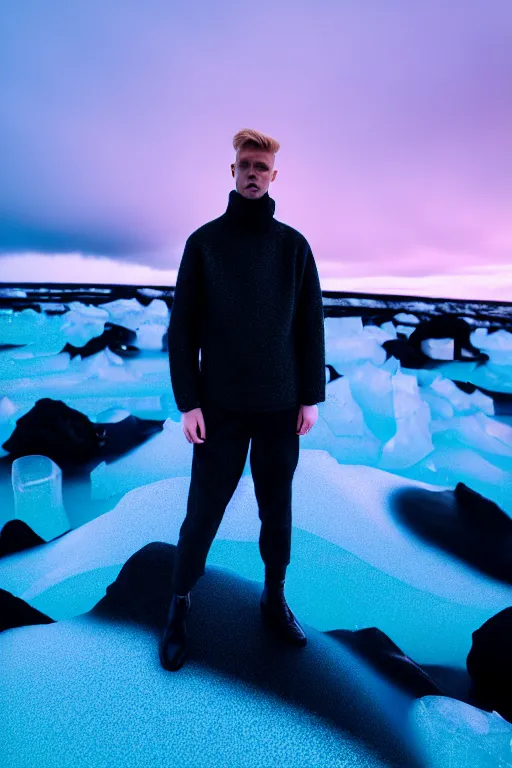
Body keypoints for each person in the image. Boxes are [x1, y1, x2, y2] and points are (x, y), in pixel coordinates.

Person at [159, 128, 326, 671]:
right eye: (245, 165)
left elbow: (309, 327)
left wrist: (309, 398)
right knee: (202, 512)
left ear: (274, 176)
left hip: (280, 409)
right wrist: (189, 401)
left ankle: (273, 598)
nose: (253, 173)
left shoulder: (294, 247)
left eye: (262, 166)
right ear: (231, 172)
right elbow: (181, 329)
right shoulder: (204, 244)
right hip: (220, 409)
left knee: (276, 512)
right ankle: (180, 604)